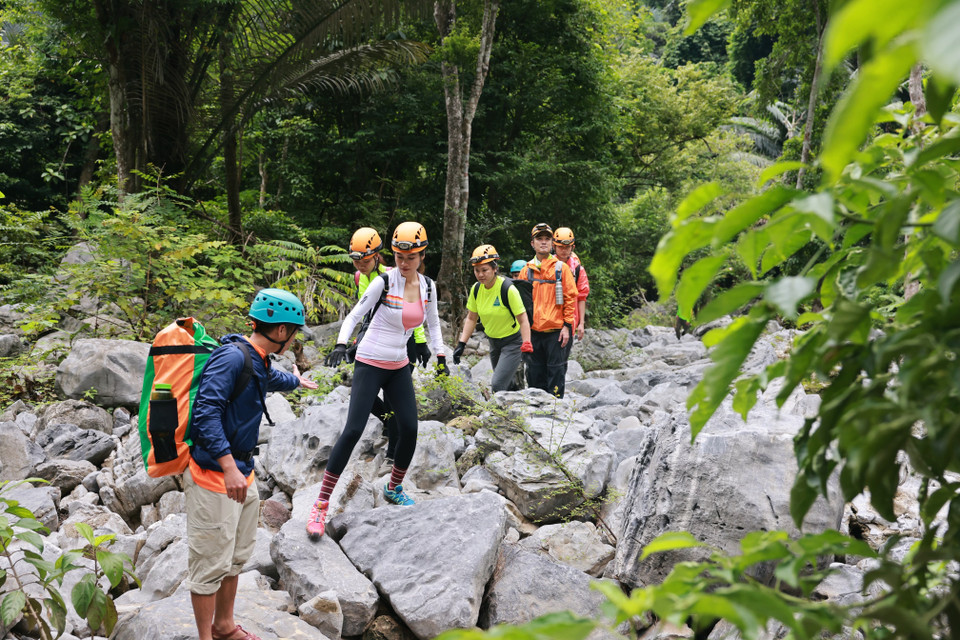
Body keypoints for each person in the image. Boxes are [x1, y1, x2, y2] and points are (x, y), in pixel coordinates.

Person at [187, 288, 318, 640]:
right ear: (280, 331)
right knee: (209, 563)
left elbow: (268, 379)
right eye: (294, 331)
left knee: (234, 556)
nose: (293, 338)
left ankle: (224, 626)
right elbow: (206, 413)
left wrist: (296, 381)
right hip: (216, 475)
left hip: (242, 473)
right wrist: (228, 465)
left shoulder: (255, 357)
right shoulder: (231, 358)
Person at [307, 222, 446, 539]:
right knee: (354, 429)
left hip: (398, 365)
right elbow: (355, 316)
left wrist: (439, 355)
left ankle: (394, 487)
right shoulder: (383, 282)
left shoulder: (427, 287)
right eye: (398, 256)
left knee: (409, 427)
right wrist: (342, 345)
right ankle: (321, 504)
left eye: (410, 257)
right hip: (369, 362)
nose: (404, 262)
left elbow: (434, 324)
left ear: (422, 255)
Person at [345, 227, 430, 467]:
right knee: (368, 398)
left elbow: (415, 312)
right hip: (375, 342)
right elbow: (365, 314)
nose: (360, 264)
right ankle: (389, 425)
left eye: (364, 259)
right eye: (355, 260)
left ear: (377, 256)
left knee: (393, 400)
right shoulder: (361, 277)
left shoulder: (395, 275)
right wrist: (356, 341)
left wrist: (422, 342)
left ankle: (393, 453)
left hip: (406, 342)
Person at [452, 244, 533, 392]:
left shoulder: (508, 289)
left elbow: (523, 319)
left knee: (497, 385)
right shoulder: (476, 289)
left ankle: (503, 410)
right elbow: (471, 318)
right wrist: (462, 344)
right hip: (494, 342)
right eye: (477, 270)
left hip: (513, 342)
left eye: (485, 270)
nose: (480, 274)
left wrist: (526, 344)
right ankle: (515, 404)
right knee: (505, 384)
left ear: (495, 268)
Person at [517, 223, 578, 399]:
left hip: (556, 332)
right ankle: (537, 418)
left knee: (556, 374)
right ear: (532, 243)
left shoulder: (561, 268)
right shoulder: (525, 272)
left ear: (552, 243)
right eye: (539, 239)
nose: (543, 242)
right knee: (534, 376)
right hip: (533, 332)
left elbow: (570, 298)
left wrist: (567, 326)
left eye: (547, 239)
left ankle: (556, 417)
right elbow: (519, 305)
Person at [552, 227, 590, 341]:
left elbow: (582, 297)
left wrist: (581, 324)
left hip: (570, 321)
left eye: (567, 247)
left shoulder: (578, 270)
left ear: (572, 247)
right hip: (549, 320)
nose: (564, 250)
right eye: (560, 247)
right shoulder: (546, 266)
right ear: (554, 247)